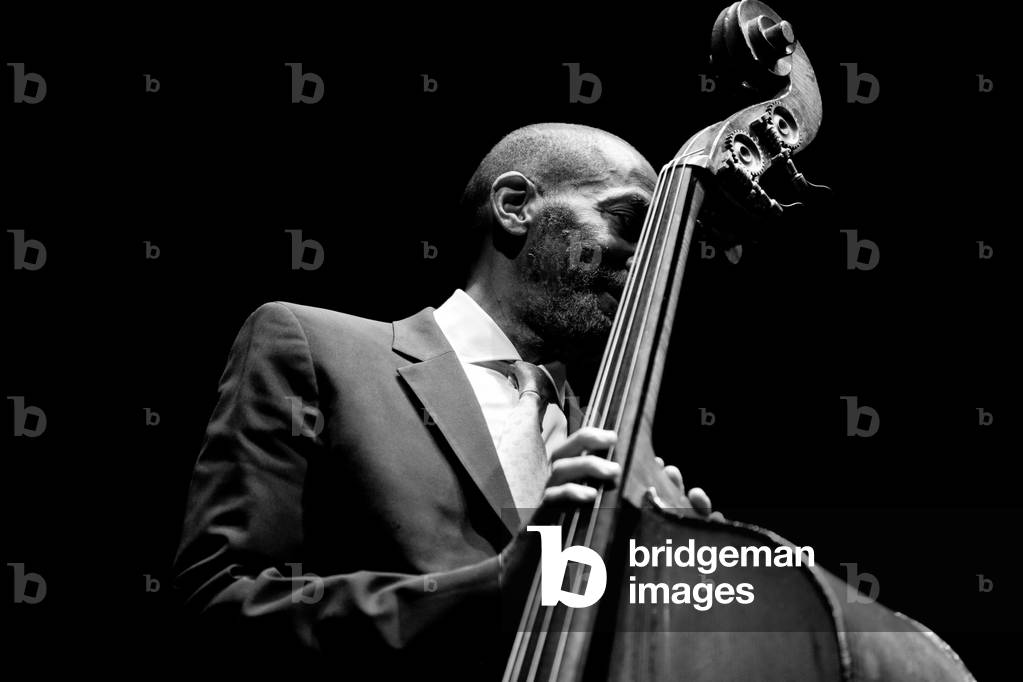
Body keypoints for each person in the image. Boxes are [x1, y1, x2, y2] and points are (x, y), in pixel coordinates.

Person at [172, 123, 713, 678]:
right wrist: (498, 585)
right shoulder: (312, 347)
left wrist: (672, 591)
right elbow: (220, 603)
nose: (649, 268)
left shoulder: (609, 451)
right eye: (628, 224)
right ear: (514, 205)